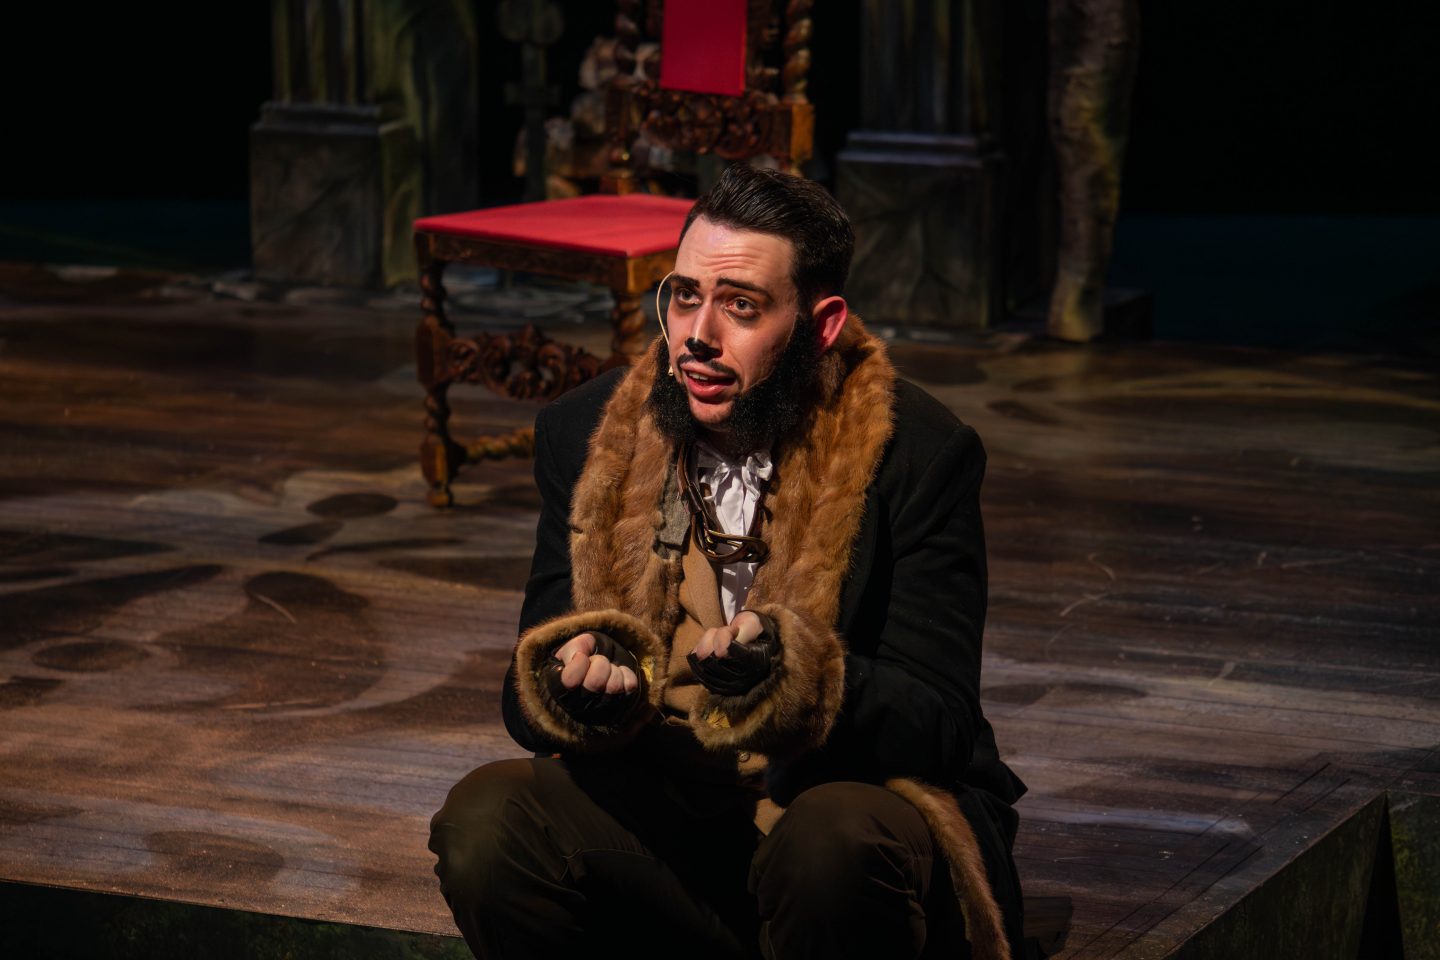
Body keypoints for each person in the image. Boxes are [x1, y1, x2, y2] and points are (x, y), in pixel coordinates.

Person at [429, 164, 1028, 960]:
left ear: (820, 324)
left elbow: (941, 725)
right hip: (671, 799)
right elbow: (526, 686)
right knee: (486, 820)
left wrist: (798, 680)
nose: (699, 335)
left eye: (740, 305)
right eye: (683, 296)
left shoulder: (917, 453)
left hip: (834, 806)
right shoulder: (582, 432)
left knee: (831, 842)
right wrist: (579, 687)